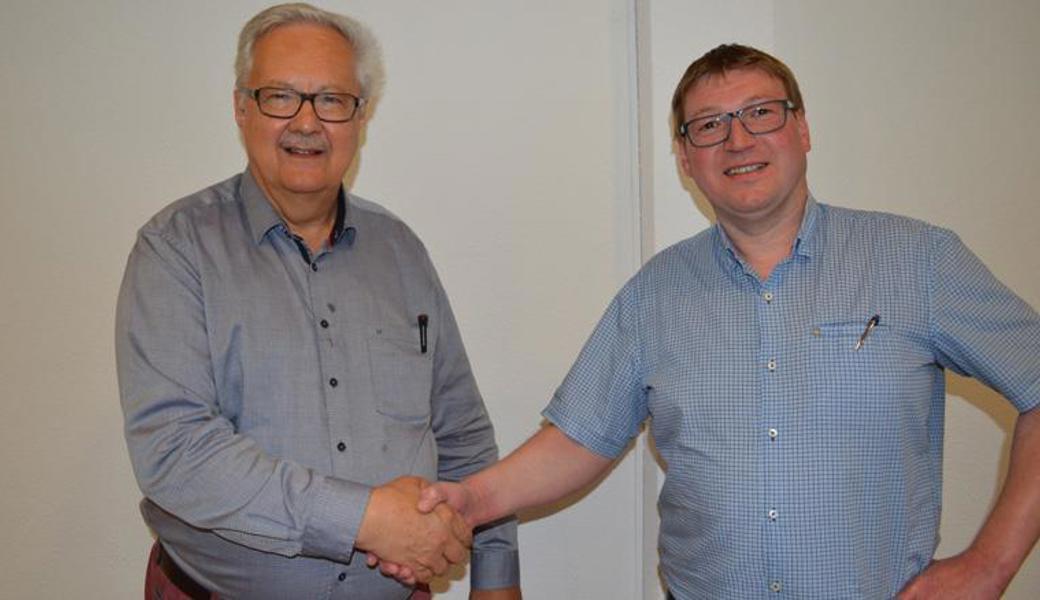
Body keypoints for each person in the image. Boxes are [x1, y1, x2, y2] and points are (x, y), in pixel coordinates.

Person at [402, 44, 1040, 598]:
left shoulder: (917, 261)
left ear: (803, 128)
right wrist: (472, 501)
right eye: (708, 126)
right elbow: (579, 440)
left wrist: (988, 566)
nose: (737, 140)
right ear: (685, 158)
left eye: (761, 113)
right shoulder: (655, 293)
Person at [115, 4, 519, 599]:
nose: (307, 122)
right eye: (281, 96)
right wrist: (367, 519)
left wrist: (495, 574)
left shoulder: (402, 253)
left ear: (361, 116)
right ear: (241, 107)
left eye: (332, 100)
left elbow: (460, 429)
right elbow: (175, 451)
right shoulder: (175, 250)